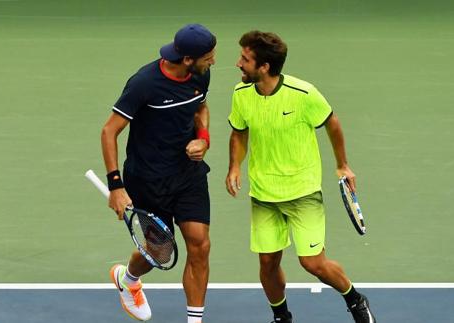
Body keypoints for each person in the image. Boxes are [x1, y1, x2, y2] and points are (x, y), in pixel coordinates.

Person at [225, 30, 376, 323]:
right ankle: (282, 317)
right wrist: (234, 166)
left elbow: (332, 123)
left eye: (245, 59)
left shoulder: (304, 94)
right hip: (263, 194)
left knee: (313, 263)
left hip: (303, 192)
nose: (238, 64)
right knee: (268, 262)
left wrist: (343, 165)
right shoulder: (240, 94)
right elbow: (239, 132)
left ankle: (355, 299)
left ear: (264, 67)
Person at [100, 24, 216, 323]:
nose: (213, 61)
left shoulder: (201, 74)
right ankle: (128, 280)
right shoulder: (144, 83)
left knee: (200, 243)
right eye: (209, 56)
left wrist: (202, 137)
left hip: (187, 175)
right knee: (158, 253)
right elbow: (109, 131)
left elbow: (200, 108)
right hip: (148, 179)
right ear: (188, 59)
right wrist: (116, 186)